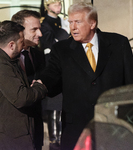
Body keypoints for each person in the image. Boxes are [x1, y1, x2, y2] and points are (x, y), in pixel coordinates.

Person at [39, 2, 133, 150]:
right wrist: (41, 83)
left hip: (113, 128)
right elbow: (51, 76)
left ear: (92, 23)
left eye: (78, 22)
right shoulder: (61, 49)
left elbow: (130, 86)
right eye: (70, 22)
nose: (73, 27)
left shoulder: (118, 44)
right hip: (76, 129)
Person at [0, 20, 47, 150]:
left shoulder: (6, 61)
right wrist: (40, 88)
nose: (23, 46)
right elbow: (21, 98)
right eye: (21, 42)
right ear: (11, 45)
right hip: (5, 142)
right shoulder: (0, 65)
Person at [11, 10, 45, 150]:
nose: (40, 34)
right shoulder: (5, 59)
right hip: (13, 133)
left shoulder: (39, 55)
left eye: (40, 29)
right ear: (19, 31)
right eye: (34, 30)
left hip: (35, 130)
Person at [39, 0, 70, 149]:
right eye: (55, 3)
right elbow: (50, 45)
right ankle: (54, 140)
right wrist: (64, 33)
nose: (59, 6)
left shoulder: (62, 21)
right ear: (47, 6)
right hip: (53, 66)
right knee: (55, 104)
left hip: (66, 66)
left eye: (59, 3)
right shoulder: (45, 24)